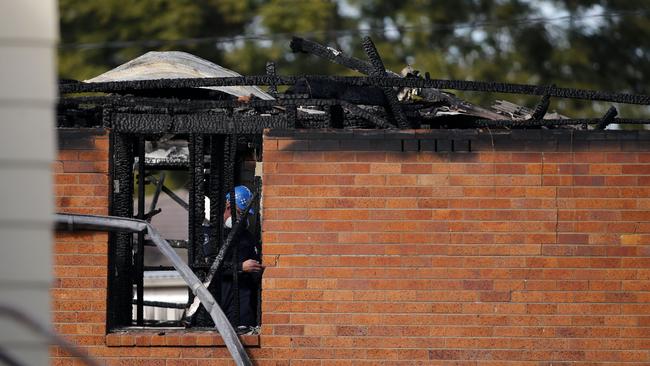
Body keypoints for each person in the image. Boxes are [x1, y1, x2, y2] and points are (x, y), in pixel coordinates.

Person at [216, 185, 264, 328]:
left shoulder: (247, 237)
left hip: (242, 308)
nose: (243, 219)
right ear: (228, 207)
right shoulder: (212, 234)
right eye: (240, 213)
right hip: (218, 302)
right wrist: (240, 267)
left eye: (246, 215)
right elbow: (208, 267)